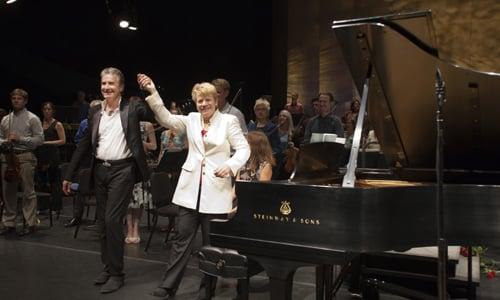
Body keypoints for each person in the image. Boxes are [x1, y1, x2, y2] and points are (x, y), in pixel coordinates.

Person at [137, 73, 250, 299]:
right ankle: (169, 286)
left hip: (216, 192)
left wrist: (230, 165)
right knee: (181, 240)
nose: (204, 104)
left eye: (208, 99)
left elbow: (244, 149)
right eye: (200, 100)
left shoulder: (229, 121)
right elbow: (166, 118)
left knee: (211, 246)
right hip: (190, 192)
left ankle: (206, 289)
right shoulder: (190, 119)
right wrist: (152, 91)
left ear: (216, 100)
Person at [62, 67, 155, 294]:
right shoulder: (95, 112)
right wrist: (68, 175)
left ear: (121, 87)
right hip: (100, 171)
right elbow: (83, 145)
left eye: (111, 84)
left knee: (113, 220)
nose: (107, 87)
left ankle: (117, 273)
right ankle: (108, 266)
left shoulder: (131, 108)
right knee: (103, 223)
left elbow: (151, 114)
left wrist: (150, 90)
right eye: (104, 83)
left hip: (123, 170)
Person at [0, 88, 44, 236]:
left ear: (25, 101)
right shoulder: (6, 119)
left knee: (27, 192)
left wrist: (20, 139)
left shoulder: (32, 118)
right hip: (7, 157)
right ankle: (9, 223)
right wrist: (3, 142)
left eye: (19, 99)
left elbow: (39, 140)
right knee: (8, 191)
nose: (16, 101)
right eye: (14, 98)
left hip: (25, 156)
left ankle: (30, 223)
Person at [125, 108, 157, 244]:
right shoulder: (125, 123)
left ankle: (136, 228)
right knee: (127, 200)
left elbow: (154, 146)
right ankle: (129, 229)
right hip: (127, 164)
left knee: (139, 200)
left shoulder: (147, 125)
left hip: (142, 165)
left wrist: (140, 142)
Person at [35, 101, 66, 214]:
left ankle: (56, 207)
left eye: (49, 109)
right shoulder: (39, 123)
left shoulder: (57, 124)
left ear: (53, 111)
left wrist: (46, 143)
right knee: (41, 181)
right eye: (45, 109)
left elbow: (63, 141)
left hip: (52, 155)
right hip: (41, 154)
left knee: (54, 181)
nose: (47, 111)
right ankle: (43, 206)